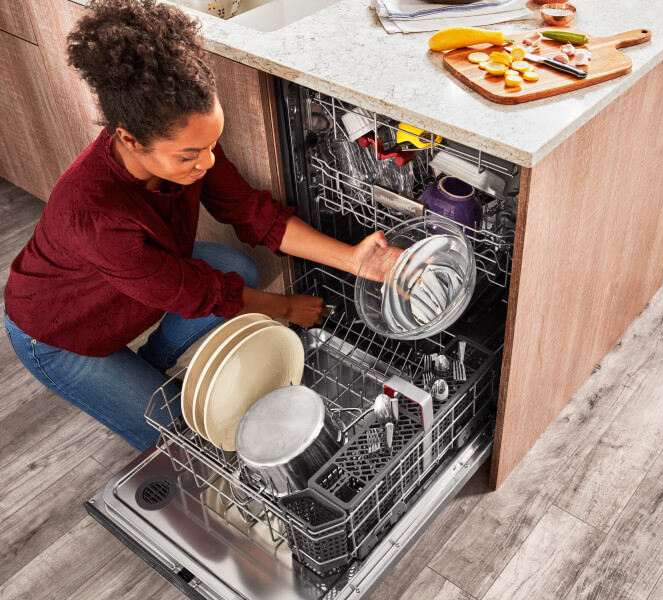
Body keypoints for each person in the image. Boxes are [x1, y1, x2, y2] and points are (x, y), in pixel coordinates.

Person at [2, 0, 391, 451]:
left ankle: (148, 366)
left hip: (141, 281)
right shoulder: (94, 215)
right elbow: (194, 293)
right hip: (59, 331)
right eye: (190, 156)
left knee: (236, 269)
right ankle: (133, 380)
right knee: (176, 434)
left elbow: (249, 211)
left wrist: (354, 259)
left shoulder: (184, 141)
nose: (206, 163)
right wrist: (282, 309)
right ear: (129, 138)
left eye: (211, 146)